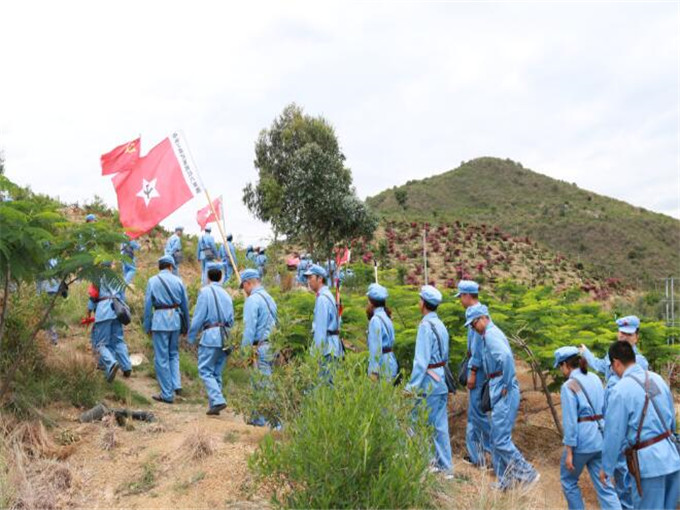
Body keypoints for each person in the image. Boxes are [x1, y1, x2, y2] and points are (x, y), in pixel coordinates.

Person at [466, 303, 539, 490]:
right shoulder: (486, 335)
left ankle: (527, 473)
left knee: (500, 439)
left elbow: (506, 357)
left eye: (473, 323)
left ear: (483, 318)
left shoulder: (490, 336)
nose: (472, 328)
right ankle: (505, 481)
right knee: (496, 437)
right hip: (496, 385)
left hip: (503, 386)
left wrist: (506, 383)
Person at [600, 341, 680, 510]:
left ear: (616, 362)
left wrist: (606, 468)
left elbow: (614, 434)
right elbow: (672, 421)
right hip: (672, 460)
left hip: (649, 466)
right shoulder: (657, 379)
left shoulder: (620, 390)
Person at [580, 316, 649, 508]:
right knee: (620, 478)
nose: (624, 336)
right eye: (621, 333)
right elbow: (603, 367)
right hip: (612, 425)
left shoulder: (639, 363)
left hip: (627, 431)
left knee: (628, 478)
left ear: (636, 336)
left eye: (628, 334)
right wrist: (587, 354)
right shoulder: (613, 356)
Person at [553, 346, 621, 510]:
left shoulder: (569, 385)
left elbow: (570, 422)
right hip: (600, 438)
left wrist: (569, 451)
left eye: (560, 366)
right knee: (605, 485)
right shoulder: (596, 378)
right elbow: (605, 409)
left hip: (582, 442)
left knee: (568, 481)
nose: (561, 371)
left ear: (565, 365)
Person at [405, 285, 453, 478]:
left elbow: (421, 362)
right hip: (441, 380)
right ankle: (446, 467)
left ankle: (427, 463)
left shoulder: (425, 326)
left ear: (423, 303)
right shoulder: (440, 325)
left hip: (428, 383)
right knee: (440, 425)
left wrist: (411, 387)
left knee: (419, 422)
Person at [187, 263, 234, 415]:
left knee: (205, 370)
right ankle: (214, 406)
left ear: (207, 277)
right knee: (216, 372)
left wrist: (191, 336)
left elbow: (199, 316)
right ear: (221, 276)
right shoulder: (227, 294)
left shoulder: (205, 292)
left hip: (211, 336)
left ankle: (218, 400)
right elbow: (232, 320)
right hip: (226, 336)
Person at [456, 279, 493, 469]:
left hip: (478, 372)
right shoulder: (477, 313)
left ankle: (494, 450)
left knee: (478, 414)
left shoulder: (479, 317)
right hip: (477, 369)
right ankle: (476, 456)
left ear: (468, 296)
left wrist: (472, 372)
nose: (460, 300)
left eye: (461, 296)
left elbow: (478, 348)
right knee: (474, 415)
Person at [143, 256, 190, 403]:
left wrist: (147, 325)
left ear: (160, 266)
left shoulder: (152, 281)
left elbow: (147, 306)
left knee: (161, 358)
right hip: (175, 320)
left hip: (159, 321)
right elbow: (185, 306)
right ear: (171, 266)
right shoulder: (179, 281)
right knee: (173, 354)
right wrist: (186, 326)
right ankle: (176, 385)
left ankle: (167, 394)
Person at [240, 268, 279, 427]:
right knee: (260, 382)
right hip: (272, 345)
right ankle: (258, 418)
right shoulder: (269, 298)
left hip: (261, 346)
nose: (244, 290)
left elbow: (249, 328)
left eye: (243, 286)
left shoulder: (252, 300)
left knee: (264, 384)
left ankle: (274, 423)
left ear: (248, 283)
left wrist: (245, 351)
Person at [90, 262, 133, 383]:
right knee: (118, 340)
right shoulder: (117, 277)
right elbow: (122, 297)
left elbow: (92, 297)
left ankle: (111, 363)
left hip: (104, 311)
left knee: (101, 343)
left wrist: (89, 311)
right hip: (117, 310)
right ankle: (127, 366)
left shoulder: (98, 277)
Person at [304, 264, 343, 371]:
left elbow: (320, 331)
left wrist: (316, 356)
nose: (308, 281)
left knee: (323, 384)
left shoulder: (322, 299)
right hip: (332, 347)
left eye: (310, 277)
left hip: (326, 350)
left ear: (320, 279)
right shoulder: (327, 295)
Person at [365, 283, 398, 381]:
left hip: (382, 366)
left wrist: (373, 371)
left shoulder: (375, 320)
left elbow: (376, 348)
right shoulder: (386, 317)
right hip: (390, 362)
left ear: (371, 302)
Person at [37, 257, 62, 345]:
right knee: (49, 315)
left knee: (47, 315)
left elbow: (39, 278)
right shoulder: (56, 260)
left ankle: (51, 338)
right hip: (53, 291)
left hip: (48, 291)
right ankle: (51, 338)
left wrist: (38, 293)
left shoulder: (44, 261)